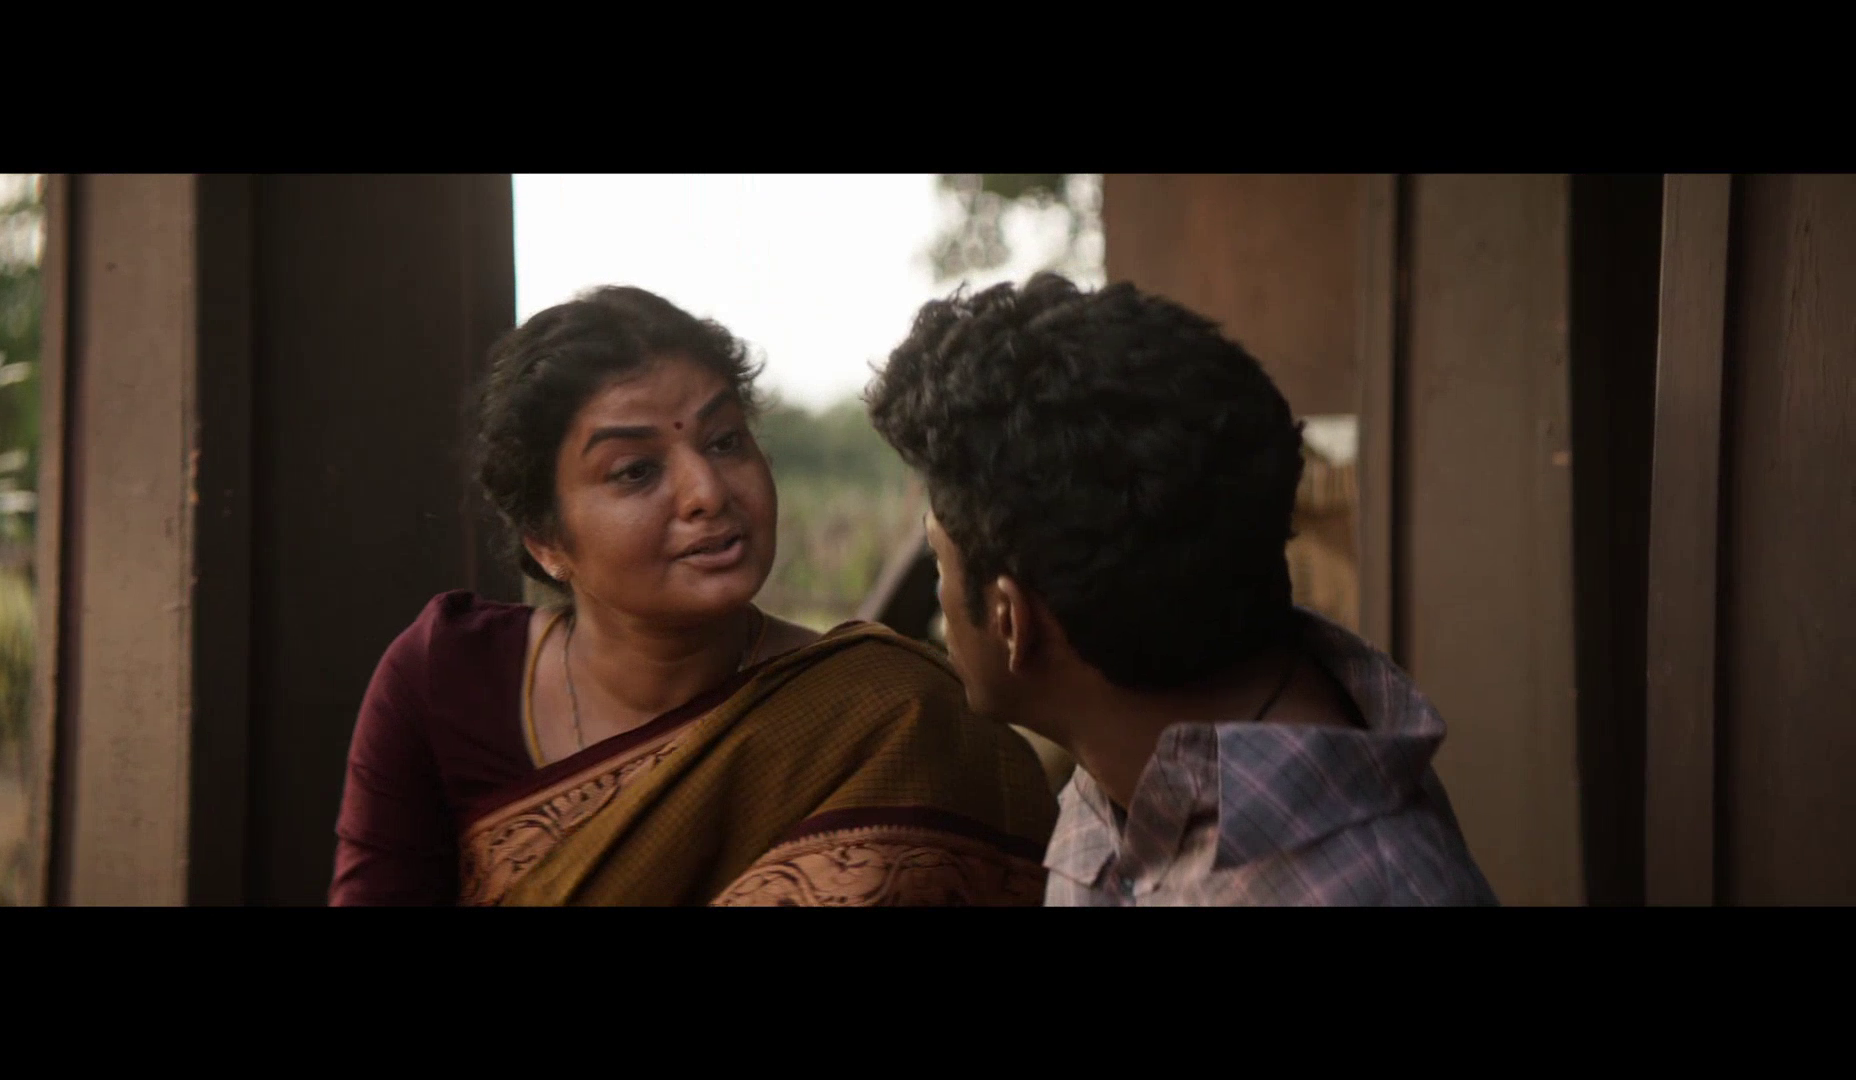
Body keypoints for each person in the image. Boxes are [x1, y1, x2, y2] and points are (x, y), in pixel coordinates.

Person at [329, 286, 1056, 906]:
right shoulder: (445, 679)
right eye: (635, 471)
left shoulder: (893, 718)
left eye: (725, 441)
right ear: (546, 540)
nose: (707, 491)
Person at [864, 273, 1497, 906]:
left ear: (1010, 620)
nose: (939, 598)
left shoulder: (1379, 889)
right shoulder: (1121, 774)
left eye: (939, 562)